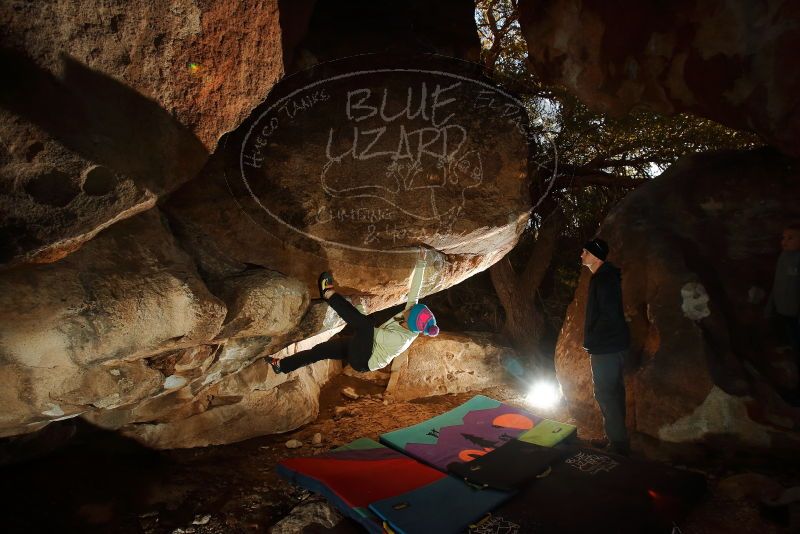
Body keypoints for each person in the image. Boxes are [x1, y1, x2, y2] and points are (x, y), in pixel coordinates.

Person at [269, 250, 439, 374]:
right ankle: (281, 366)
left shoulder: (400, 340)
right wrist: (421, 262)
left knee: (366, 326)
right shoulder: (413, 318)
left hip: (364, 360)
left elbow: (367, 329)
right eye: (412, 307)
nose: (408, 309)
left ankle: (329, 294)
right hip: (362, 347)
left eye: (411, 311)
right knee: (320, 351)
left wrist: (359, 309)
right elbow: (415, 292)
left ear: (411, 325)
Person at [581, 237, 631, 456]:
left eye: (585, 252)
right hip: (612, 345)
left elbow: (609, 315)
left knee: (606, 393)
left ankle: (618, 444)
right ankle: (615, 437)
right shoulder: (605, 277)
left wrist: (593, 339)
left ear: (596, 256)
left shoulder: (604, 279)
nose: (581, 256)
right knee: (613, 392)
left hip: (607, 347)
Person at [764, 222, 800, 361]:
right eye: (783, 237)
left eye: (791, 238)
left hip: (795, 310)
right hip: (783, 307)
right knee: (788, 331)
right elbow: (778, 282)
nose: (784, 241)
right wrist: (770, 305)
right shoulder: (783, 256)